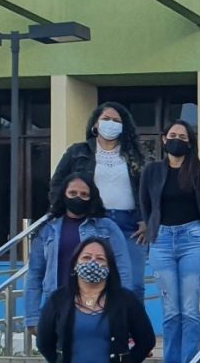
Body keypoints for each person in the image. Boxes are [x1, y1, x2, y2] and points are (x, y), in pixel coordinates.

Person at [138, 119, 200, 363]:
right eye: (172, 135)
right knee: (171, 310)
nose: (176, 139)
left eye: (182, 136)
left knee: (190, 308)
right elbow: (145, 206)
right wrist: (151, 232)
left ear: (190, 141)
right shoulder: (152, 171)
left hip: (192, 239)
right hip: (161, 240)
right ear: (163, 139)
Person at [49, 102, 148, 284]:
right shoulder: (78, 151)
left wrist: (146, 219)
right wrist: (64, 211)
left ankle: (130, 314)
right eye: (106, 119)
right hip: (92, 221)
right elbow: (57, 183)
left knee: (132, 284)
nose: (111, 123)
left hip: (130, 226)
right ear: (95, 124)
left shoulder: (135, 155)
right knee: (91, 281)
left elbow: (147, 189)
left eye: (116, 120)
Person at [25, 174, 135, 330]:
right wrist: (32, 317)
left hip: (99, 305)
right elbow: (35, 274)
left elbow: (123, 269)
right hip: (58, 304)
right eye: (73, 193)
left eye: (84, 194)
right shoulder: (48, 229)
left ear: (92, 197)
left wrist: (124, 309)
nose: (78, 198)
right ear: (64, 195)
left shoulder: (107, 227)